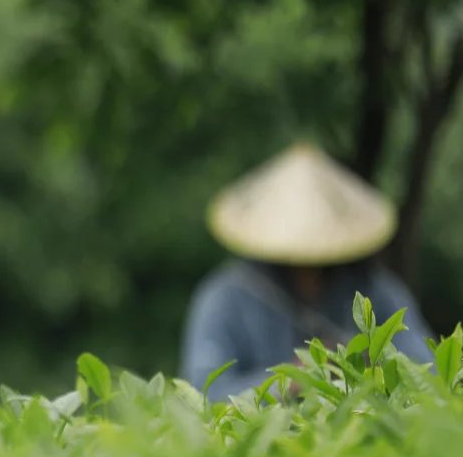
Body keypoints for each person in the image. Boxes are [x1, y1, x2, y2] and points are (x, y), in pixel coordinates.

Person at [181, 141, 435, 402]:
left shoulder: (375, 290)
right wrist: (293, 379)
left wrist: (368, 370)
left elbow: (426, 371)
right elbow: (205, 393)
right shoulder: (226, 298)